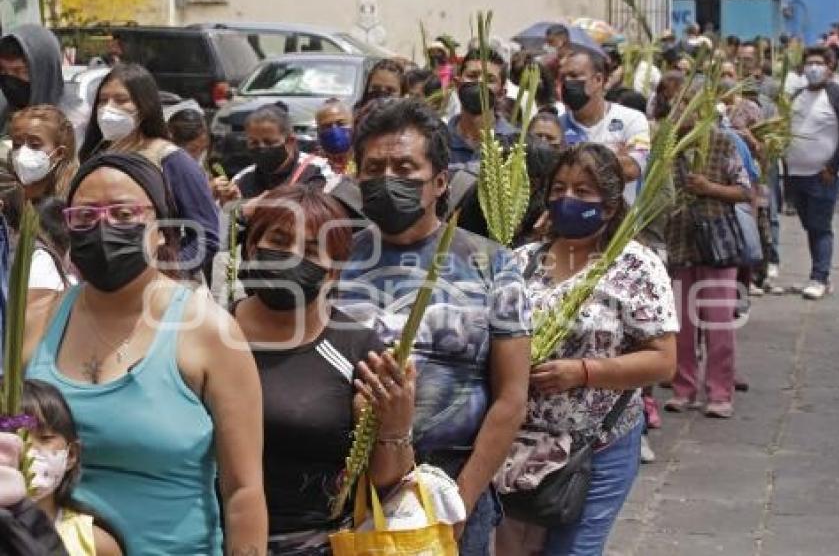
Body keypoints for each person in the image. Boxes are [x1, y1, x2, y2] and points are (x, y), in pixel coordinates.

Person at [24, 152, 267, 554]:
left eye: (124, 214)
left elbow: (243, 491)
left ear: (161, 229)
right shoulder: (36, 318)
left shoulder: (209, 332)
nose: (103, 228)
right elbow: (11, 429)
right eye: (85, 216)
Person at [336, 99, 532, 555]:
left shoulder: (491, 264)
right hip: (351, 485)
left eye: (405, 166)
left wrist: (460, 502)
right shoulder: (336, 259)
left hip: (451, 483)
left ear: (439, 181)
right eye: (374, 167)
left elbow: (512, 396)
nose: (388, 179)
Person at [495, 143, 677, 555]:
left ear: (610, 206)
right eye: (559, 188)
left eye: (583, 191)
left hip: (597, 447)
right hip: (515, 448)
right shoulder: (519, 261)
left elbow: (664, 361)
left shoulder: (636, 267)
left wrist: (583, 372)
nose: (567, 199)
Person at [234, 184, 415, 554]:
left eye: (312, 250)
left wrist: (394, 425)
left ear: (333, 271)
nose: (290, 257)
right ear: (252, 247)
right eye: (279, 240)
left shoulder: (361, 354)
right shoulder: (208, 335)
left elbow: (388, 484)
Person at [79, 63, 221, 279]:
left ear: (144, 105)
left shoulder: (171, 160)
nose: (108, 108)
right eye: (102, 100)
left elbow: (205, 236)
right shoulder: (95, 158)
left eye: (120, 100)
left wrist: (164, 272)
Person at [664, 85, 752, 419]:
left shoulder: (723, 143)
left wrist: (709, 189)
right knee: (682, 325)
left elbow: (745, 190)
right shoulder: (667, 148)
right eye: (676, 107)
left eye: (687, 106)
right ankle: (683, 388)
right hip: (680, 242)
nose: (680, 113)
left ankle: (719, 391)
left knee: (719, 324)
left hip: (717, 244)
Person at [21, 379, 123, 555]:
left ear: (71, 455)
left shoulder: (96, 543)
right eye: (14, 436)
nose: (27, 450)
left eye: (45, 438)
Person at [784, 46, 839, 299]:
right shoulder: (796, 96)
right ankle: (821, 273)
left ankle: (819, 277)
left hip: (823, 175)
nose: (813, 68)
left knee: (821, 226)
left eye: (818, 63)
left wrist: (833, 166)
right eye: (809, 63)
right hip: (797, 174)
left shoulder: (837, 96)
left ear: (829, 67)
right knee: (810, 225)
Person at [559, 49, 651, 203]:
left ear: (598, 80)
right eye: (563, 78)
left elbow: (632, 169)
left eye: (574, 76)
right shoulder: (557, 125)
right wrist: (613, 156)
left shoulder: (633, 119)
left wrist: (572, 162)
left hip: (622, 224)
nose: (567, 82)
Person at [8, 105, 78, 295]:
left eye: (34, 145)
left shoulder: (71, 207)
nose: (23, 152)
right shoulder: (10, 202)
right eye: (17, 144)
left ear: (59, 153)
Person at [214, 103, 335, 203]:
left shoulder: (318, 171)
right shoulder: (242, 180)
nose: (261, 148)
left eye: (269, 142)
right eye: (254, 143)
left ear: (290, 141)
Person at [0, 24, 87, 138]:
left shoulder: (73, 122)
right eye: (3, 71)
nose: (9, 80)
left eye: (19, 71)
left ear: (44, 71)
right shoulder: (6, 113)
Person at [447, 47, 517, 165]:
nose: (479, 82)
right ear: (457, 84)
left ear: (501, 93)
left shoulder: (515, 144)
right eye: (472, 75)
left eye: (490, 79)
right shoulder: (437, 141)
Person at [315, 98, 354, 175]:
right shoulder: (314, 164)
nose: (334, 130)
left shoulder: (363, 161)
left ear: (353, 125)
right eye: (327, 126)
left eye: (341, 124)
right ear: (318, 131)